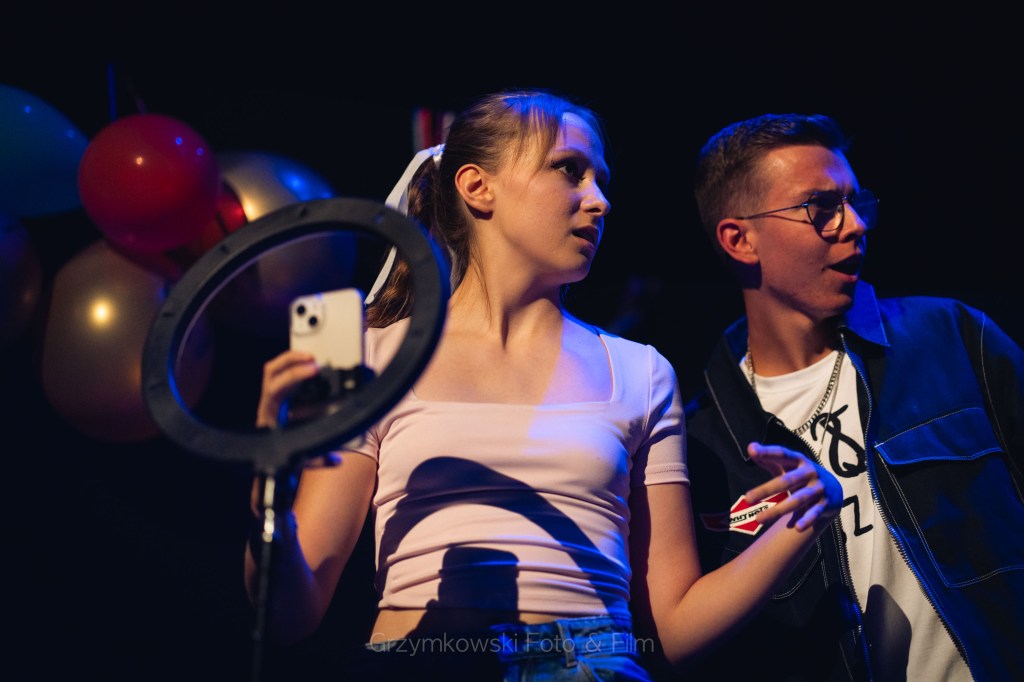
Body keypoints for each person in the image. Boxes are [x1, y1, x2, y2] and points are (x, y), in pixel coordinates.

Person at [244, 90, 842, 681]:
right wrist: (269, 476)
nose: (600, 201)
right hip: (421, 662)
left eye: (602, 180)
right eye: (569, 170)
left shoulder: (639, 372)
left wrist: (802, 520)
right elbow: (290, 613)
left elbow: (675, 629)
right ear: (478, 186)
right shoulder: (376, 356)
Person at [683, 112, 1024, 682]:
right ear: (740, 240)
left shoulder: (950, 338)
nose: (855, 225)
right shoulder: (704, 446)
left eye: (855, 202)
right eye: (820, 207)